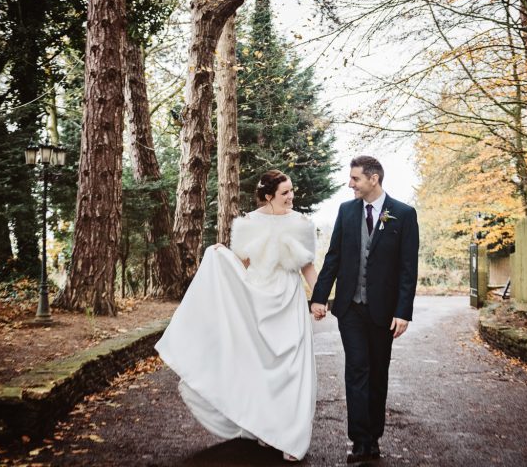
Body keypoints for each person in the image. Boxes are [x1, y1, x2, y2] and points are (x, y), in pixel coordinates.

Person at [155, 169, 319, 462]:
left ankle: (291, 436)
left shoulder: (301, 223)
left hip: (289, 299)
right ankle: (267, 428)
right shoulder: (249, 223)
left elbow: (307, 265)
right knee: (258, 366)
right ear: (268, 196)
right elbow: (242, 262)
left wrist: (318, 297)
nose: (291, 196)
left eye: (292, 190)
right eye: (285, 193)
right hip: (257, 296)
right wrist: (221, 255)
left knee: (292, 369)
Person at [310, 155, 419, 463]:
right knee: (357, 367)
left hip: (384, 312)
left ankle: (374, 437)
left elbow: (408, 269)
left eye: (355, 178)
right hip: (350, 309)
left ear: (374, 179)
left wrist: (403, 311)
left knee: (378, 372)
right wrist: (319, 297)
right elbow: (333, 258)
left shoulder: (403, 214)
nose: (350, 184)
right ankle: (359, 440)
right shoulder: (346, 211)